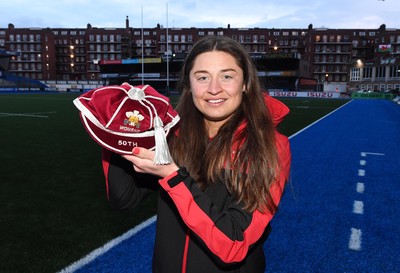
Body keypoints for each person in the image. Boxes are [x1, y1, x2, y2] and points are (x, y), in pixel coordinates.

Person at [102, 35, 291, 273]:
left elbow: (233, 244)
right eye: (202, 77)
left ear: (245, 83)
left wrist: (173, 177)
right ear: (189, 84)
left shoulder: (270, 145)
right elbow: (123, 198)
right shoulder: (172, 135)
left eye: (227, 76)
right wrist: (118, 132)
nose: (214, 89)